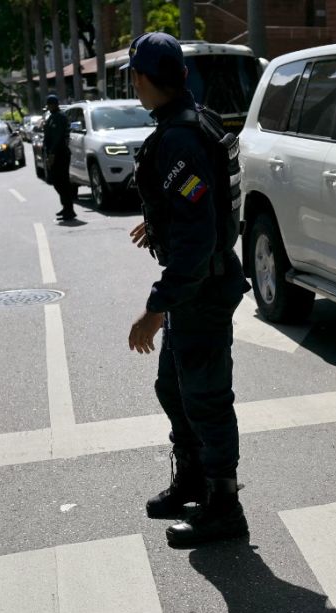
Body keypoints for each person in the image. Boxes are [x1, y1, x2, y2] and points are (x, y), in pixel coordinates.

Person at [125, 31, 251, 547]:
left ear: (143, 79)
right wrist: (157, 227)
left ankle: (224, 505)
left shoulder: (180, 137)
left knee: (206, 398)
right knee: (173, 387)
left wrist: (154, 309)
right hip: (195, 288)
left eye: (134, 75)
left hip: (199, 290)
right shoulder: (191, 120)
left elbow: (199, 241)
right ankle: (194, 479)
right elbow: (203, 209)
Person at [43, 94, 75, 221]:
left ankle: (69, 209)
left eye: (51, 104)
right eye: (48, 104)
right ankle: (66, 207)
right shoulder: (52, 117)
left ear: (55, 104)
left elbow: (57, 138)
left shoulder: (60, 117)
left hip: (60, 154)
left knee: (62, 182)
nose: (49, 106)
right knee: (57, 182)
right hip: (55, 154)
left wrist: (52, 154)